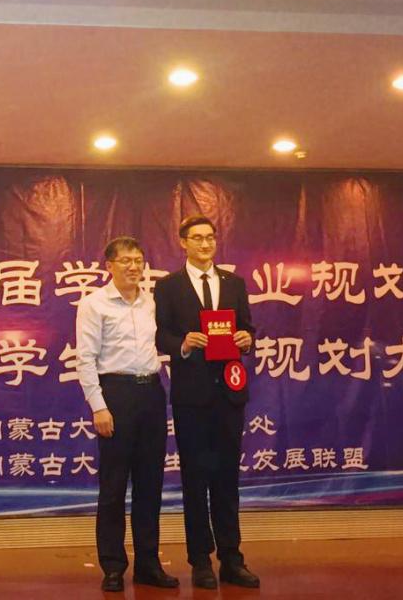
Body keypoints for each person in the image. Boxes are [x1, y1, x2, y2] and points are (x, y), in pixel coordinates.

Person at [153, 215, 259, 590]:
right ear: (183, 242)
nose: (205, 243)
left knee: (227, 479)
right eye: (197, 238)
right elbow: (161, 335)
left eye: (210, 237)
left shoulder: (234, 283)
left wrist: (247, 339)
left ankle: (232, 559)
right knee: (195, 480)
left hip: (229, 395)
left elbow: (247, 327)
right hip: (192, 398)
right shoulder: (169, 286)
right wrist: (182, 344)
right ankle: (200, 560)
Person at [75, 235, 179, 592]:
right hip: (116, 394)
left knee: (150, 485)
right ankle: (113, 566)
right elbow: (85, 359)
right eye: (126, 261)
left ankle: (148, 564)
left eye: (138, 260)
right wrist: (99, 406)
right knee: (114, 486)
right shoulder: (94, 304)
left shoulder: (151, 302)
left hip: (151, 392)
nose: (134, 267)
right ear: (110, 266)